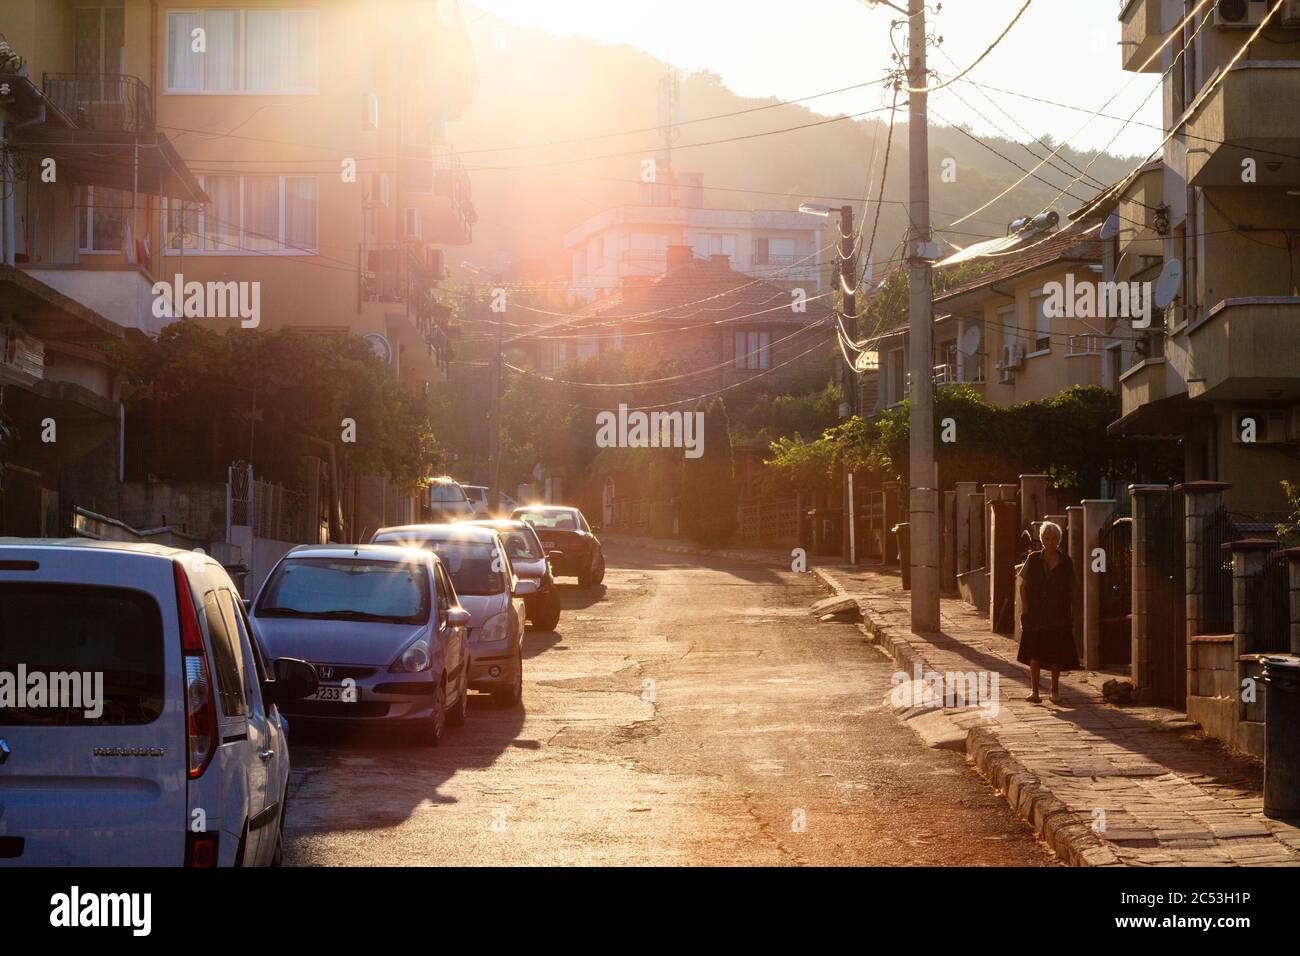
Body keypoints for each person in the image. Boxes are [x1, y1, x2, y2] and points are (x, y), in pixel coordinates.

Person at [1016, 521, 1078, 704]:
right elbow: (1023, 586)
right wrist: (1025, 610)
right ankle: (1034, 692)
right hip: (1036, 612)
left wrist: (1073, 612)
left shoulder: (1066, 562)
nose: (1050, 542)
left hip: (1059, 613)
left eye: (1053, 539)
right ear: (1042, 540)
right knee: (1034, 653)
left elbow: (1072, 589)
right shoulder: (1034, 559)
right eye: (1046, 538)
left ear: (1059, 540)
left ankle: (1055, 692)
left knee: (1056, 655)